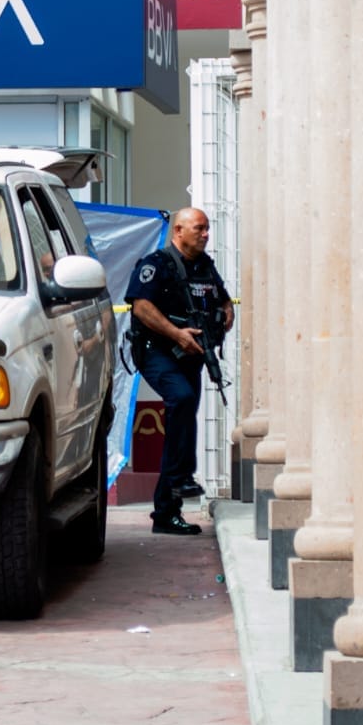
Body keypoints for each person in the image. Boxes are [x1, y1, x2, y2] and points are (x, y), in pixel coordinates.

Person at [123, 207, 234, 536]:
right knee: (182, 400)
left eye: (207, 228)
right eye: (199, 228)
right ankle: (178, 484)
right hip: (157, 350)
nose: (205, 234)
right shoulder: (156, 265)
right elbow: (141, 307)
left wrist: (224, 313)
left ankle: (167, 509)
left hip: (192, 353)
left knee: (184, 415)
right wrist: (176, 334)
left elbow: (223, 299)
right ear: (179, 231)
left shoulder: (204, 266)